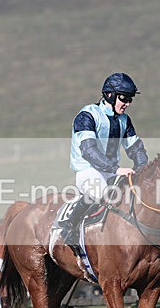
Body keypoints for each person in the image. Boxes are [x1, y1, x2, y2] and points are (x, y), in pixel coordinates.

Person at [63, 72, 148, 242]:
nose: (127, 104)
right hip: (88, 171)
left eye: (130, 100)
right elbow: (89, 151)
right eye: (124, 98)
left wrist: (142, 169)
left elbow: (136, 148)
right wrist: (116, 169)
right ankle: (69, 227)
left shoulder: (125, 120)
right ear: (110, 95)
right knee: (102, 194)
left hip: (111, 172)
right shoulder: (87, 115)